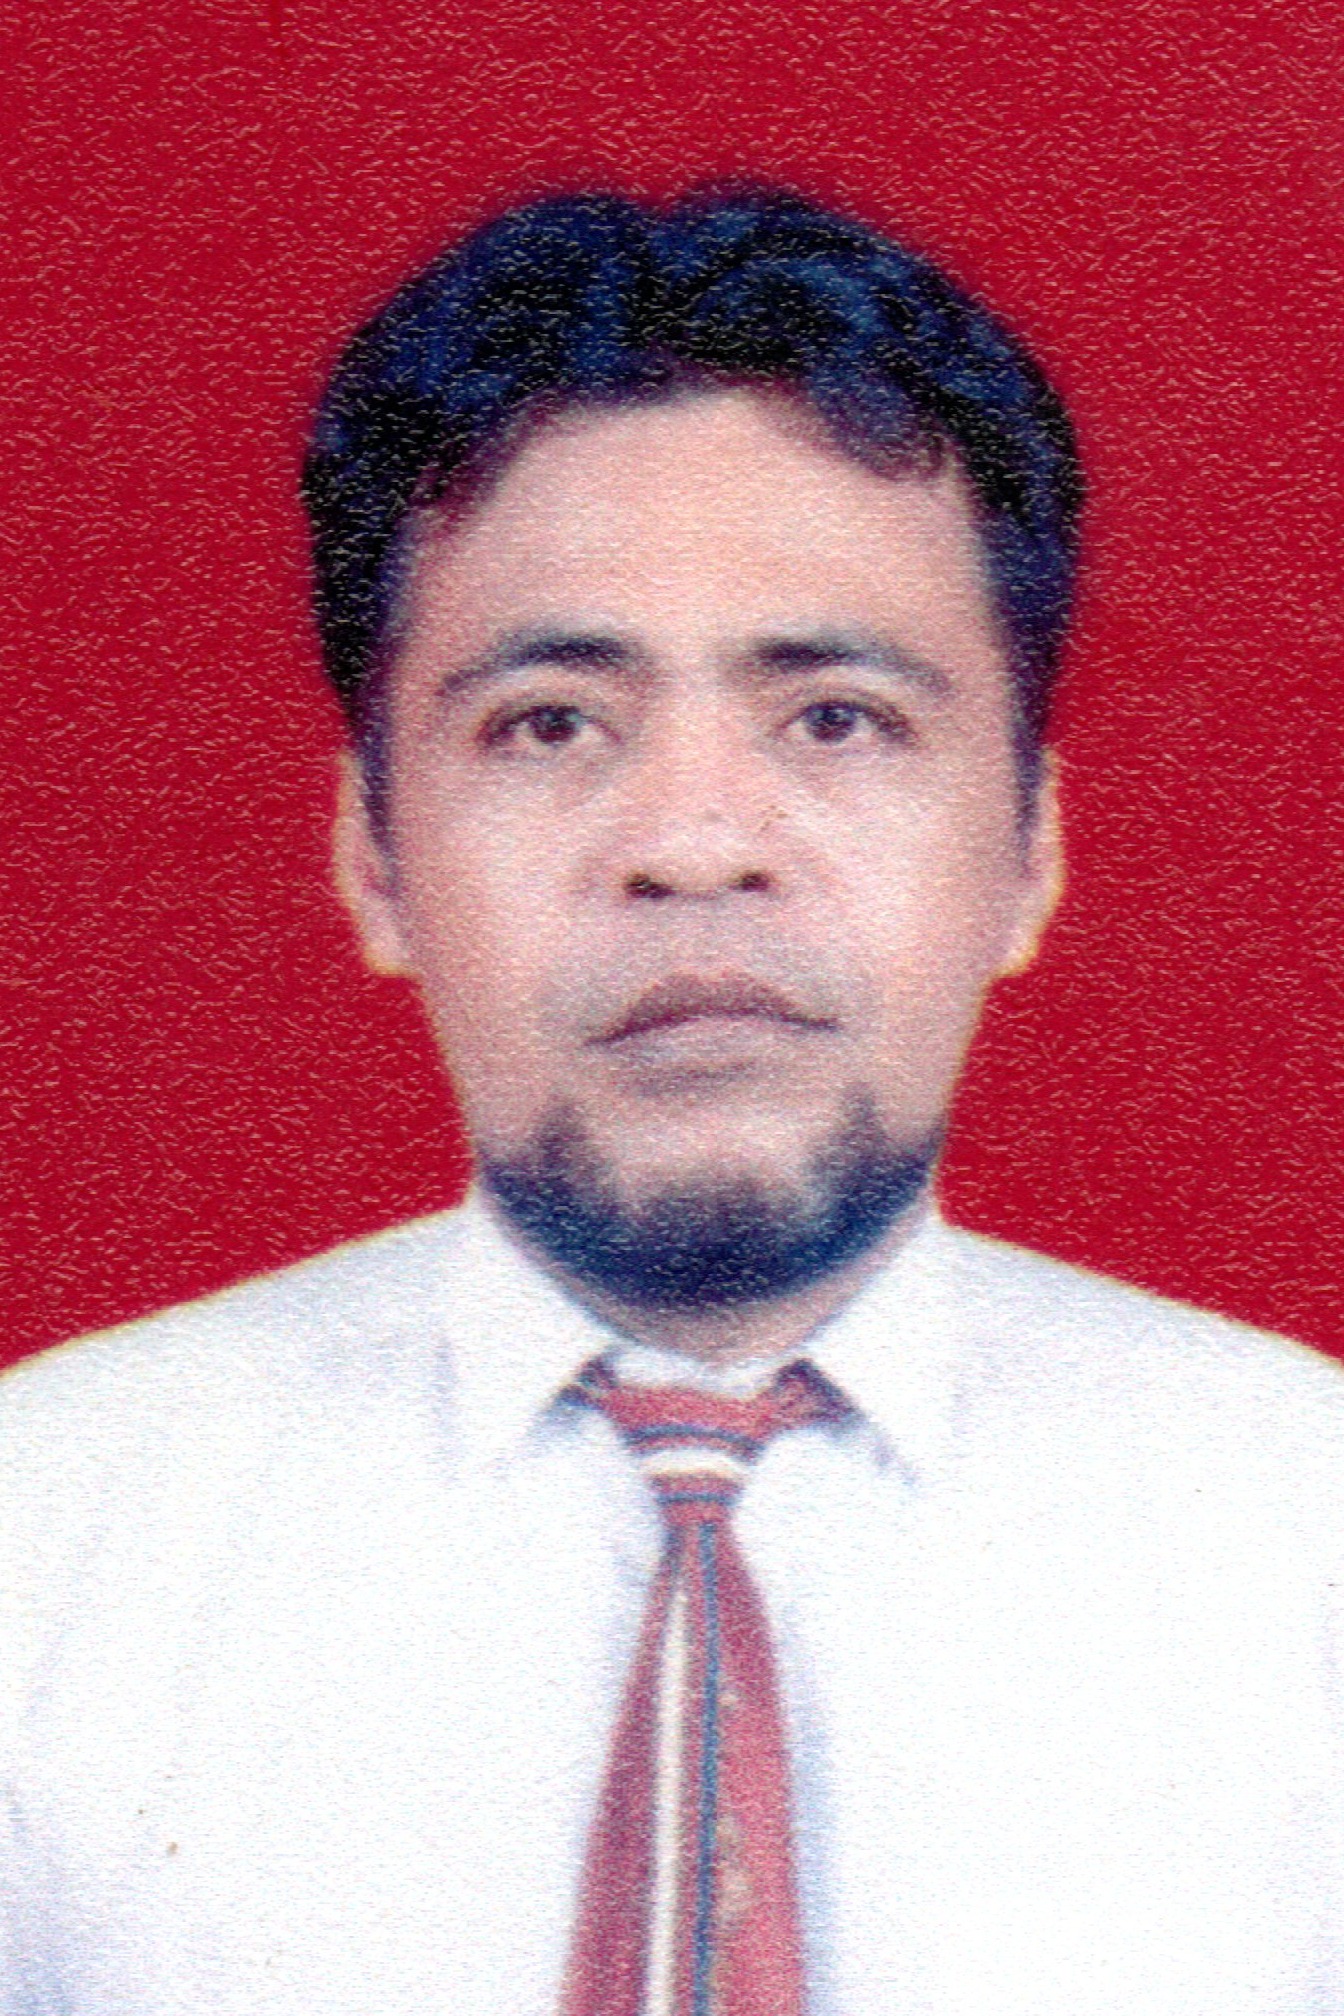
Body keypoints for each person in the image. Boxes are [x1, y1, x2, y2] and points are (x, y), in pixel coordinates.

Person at [2, 186, 1342, 2016]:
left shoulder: (1309, 1544)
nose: (698, 844)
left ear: (1029, 851)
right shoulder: (44, 1541)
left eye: (837, 719)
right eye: (551, 722)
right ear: (374, 859)